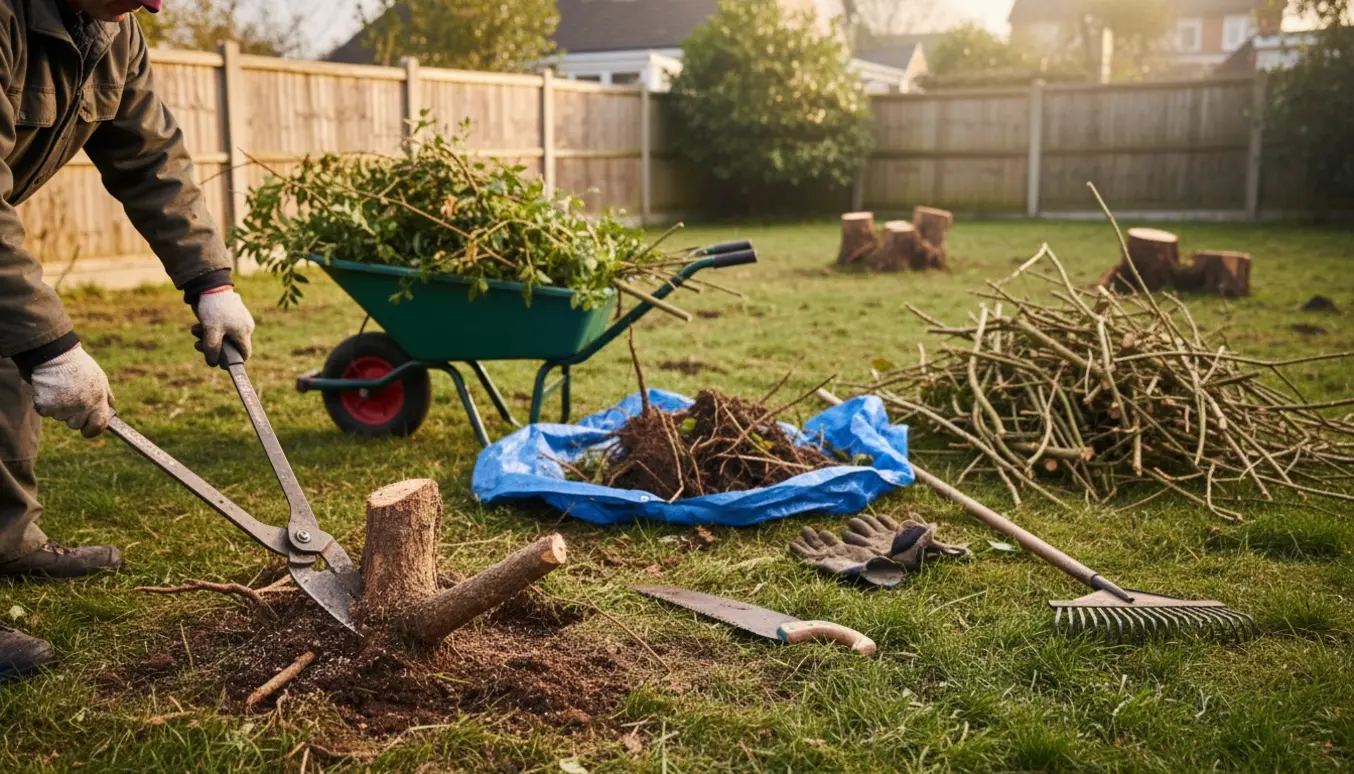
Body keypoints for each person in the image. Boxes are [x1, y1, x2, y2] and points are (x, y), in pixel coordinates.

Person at [0, 0, 255, 679]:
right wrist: (52, 346)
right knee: (26, 340)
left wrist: (210, 279)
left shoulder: (112, 30)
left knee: (5, 361)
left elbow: (151, 157)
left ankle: (8, 541)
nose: (156, 5)